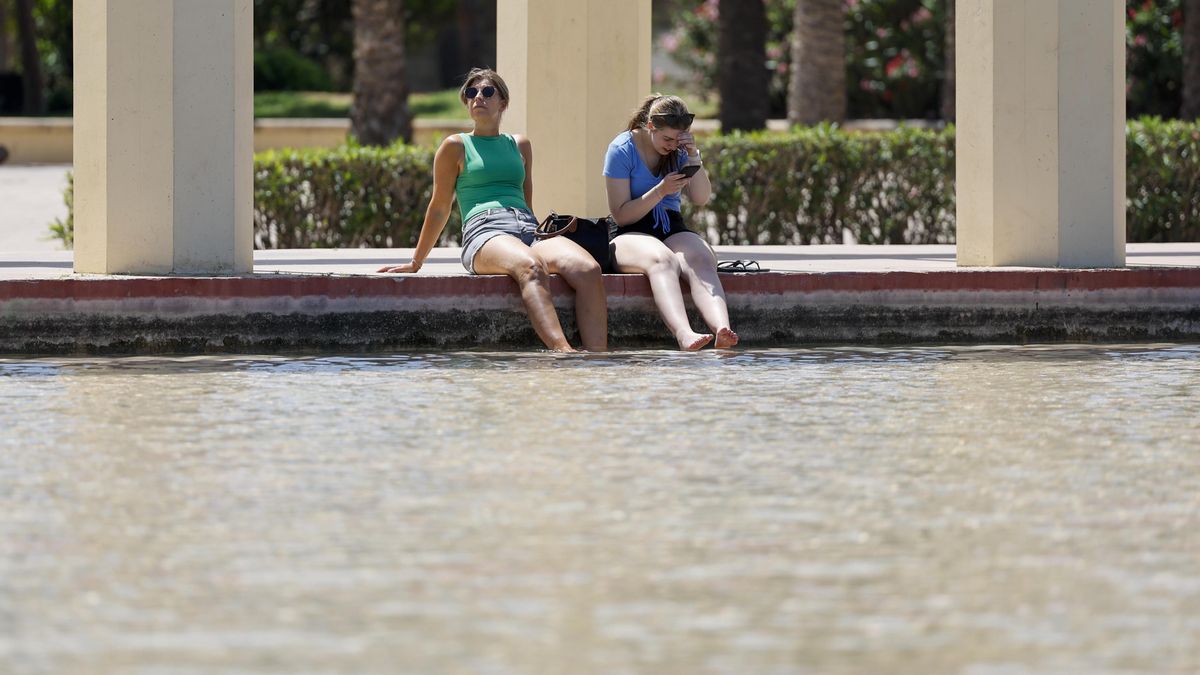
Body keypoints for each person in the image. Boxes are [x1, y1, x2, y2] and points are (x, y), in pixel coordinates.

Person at [378, 68, 607, 352]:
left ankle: (599, 359)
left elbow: (526, 197)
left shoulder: (520, 144)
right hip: (485, 232)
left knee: (588, 269)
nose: (478, 98)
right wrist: (417, 261)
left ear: (503, 103)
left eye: (487, 92)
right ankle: (565, 354)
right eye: (471, 93)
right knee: (531, 267)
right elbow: (439, 207)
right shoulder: (455, 146)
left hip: (527, 228)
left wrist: (536, 234)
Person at [603, 94, 738, 350]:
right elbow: (621, 214)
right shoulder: (621, 149)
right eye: (667, 139)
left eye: (678, 139)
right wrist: (661, 191)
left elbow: (700, 198)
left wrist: (692, 155)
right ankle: (684, 334)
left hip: (669, 225)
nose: (671, 145)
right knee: (663, 260)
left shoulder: (679, 150)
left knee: (700, 257)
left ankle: (721, 328)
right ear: (650, 126)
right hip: (628, 230)